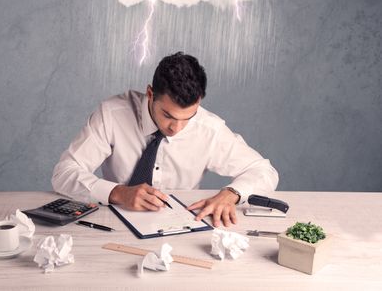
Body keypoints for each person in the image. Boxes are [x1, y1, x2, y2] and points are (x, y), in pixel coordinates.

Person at [52, 52, 278, 227]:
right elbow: (64, 173)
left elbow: (264, 171)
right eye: (168, 115)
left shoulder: (209, 128)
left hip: (183, 226)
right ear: (150, 94)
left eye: (187, 117)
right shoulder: (112, 114)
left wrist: (232, 194)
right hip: (114, 221)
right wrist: (117, 192)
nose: (176, 128)